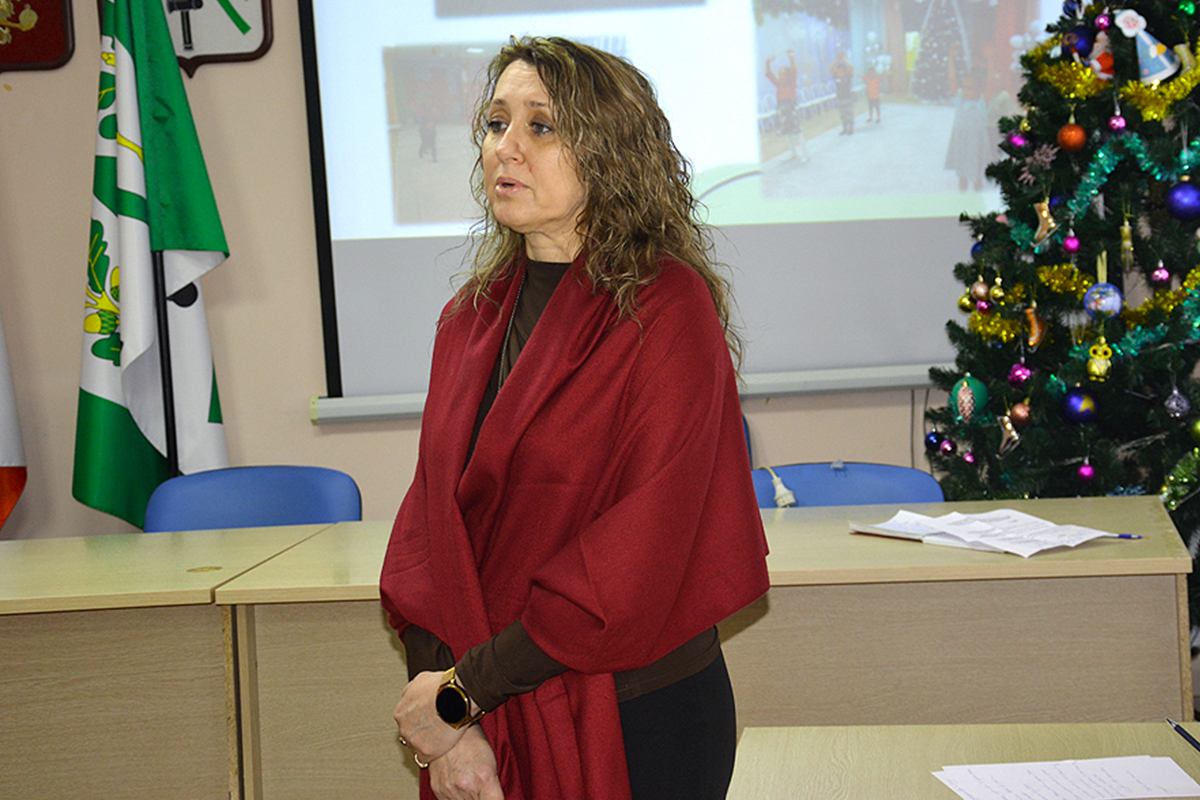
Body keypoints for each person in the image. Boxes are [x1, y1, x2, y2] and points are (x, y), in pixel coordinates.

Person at [382, 36, 771, 800]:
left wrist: (461, 697)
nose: (507, 147)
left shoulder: (667, 311)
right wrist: (452, 721)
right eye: (496, 123)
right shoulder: (468, 320)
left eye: (541, 126)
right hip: (485, 711)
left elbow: (632, 561)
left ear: (610, 151)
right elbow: (429, 539)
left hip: (639, 719)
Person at [944, 68, 991, 191]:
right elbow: (952, 81)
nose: (965, 91)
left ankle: (977, 193)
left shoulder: (982, 103)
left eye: (969, 88)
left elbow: (989, 85)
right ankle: (962, 196)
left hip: (977, 143)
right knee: (962, 174)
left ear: (978, 89)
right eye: (964, 87)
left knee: (977, 174)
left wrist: (990, 62)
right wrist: (951, 60)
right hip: (962, 142)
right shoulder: (960, 101)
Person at [765, 50, 809, 161]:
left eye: (783, 74)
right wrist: (768, 63)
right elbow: (769, 74)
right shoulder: (779, 84)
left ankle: (806, 154)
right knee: (788, 133)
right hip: (782, 109)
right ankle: (793, 153)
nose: (781, 76)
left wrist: (791, 58)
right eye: (780, 74)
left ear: (788, 75)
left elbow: (794, 70)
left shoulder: (791, 83)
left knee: (797, 132)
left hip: (790, 109)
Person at [830, 50, 855, 135]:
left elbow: (851, 67)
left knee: (849, 114)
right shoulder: (836, 77)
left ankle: (850, 128)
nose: (840, 73)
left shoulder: (848, 77)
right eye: (838, 71)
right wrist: (837, 60)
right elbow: (830, 68)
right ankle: (844, 128)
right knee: (842, 115)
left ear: (845, 71)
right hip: (840, 99)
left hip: (847, 98)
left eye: (841, 71)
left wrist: (844, 60)